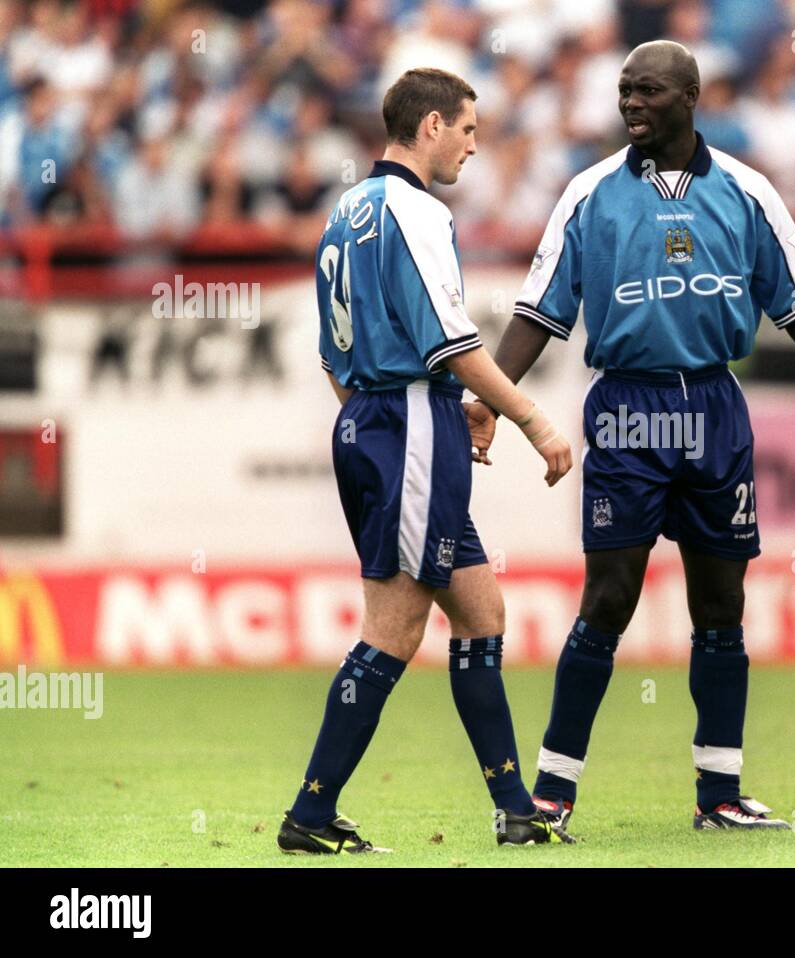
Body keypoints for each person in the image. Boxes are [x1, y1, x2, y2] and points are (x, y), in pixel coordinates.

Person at [470, 40, 795, 832]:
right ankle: (551, 792)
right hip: (626, 410)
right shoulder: (588, 193)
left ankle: (719, 795)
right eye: (624, 92)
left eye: (647, 91)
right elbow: (539, 312)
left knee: (721, 604)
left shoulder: (749, 193)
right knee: (609, 597)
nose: (630, 104)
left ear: (691, 95)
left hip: (717, 407)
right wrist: (496, 401)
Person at [277, 67, 575, 854]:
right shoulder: (416, 210)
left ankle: (516, 809)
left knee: (480, 612)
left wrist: (411, 422)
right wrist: (534, 420)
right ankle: (309, 813)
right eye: (470, 131)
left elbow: (334, 362)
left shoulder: (345, 211)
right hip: (406, 420)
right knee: (395, 627)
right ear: (433, 125)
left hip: (382, 420)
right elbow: (457, 343)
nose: (475, 148)